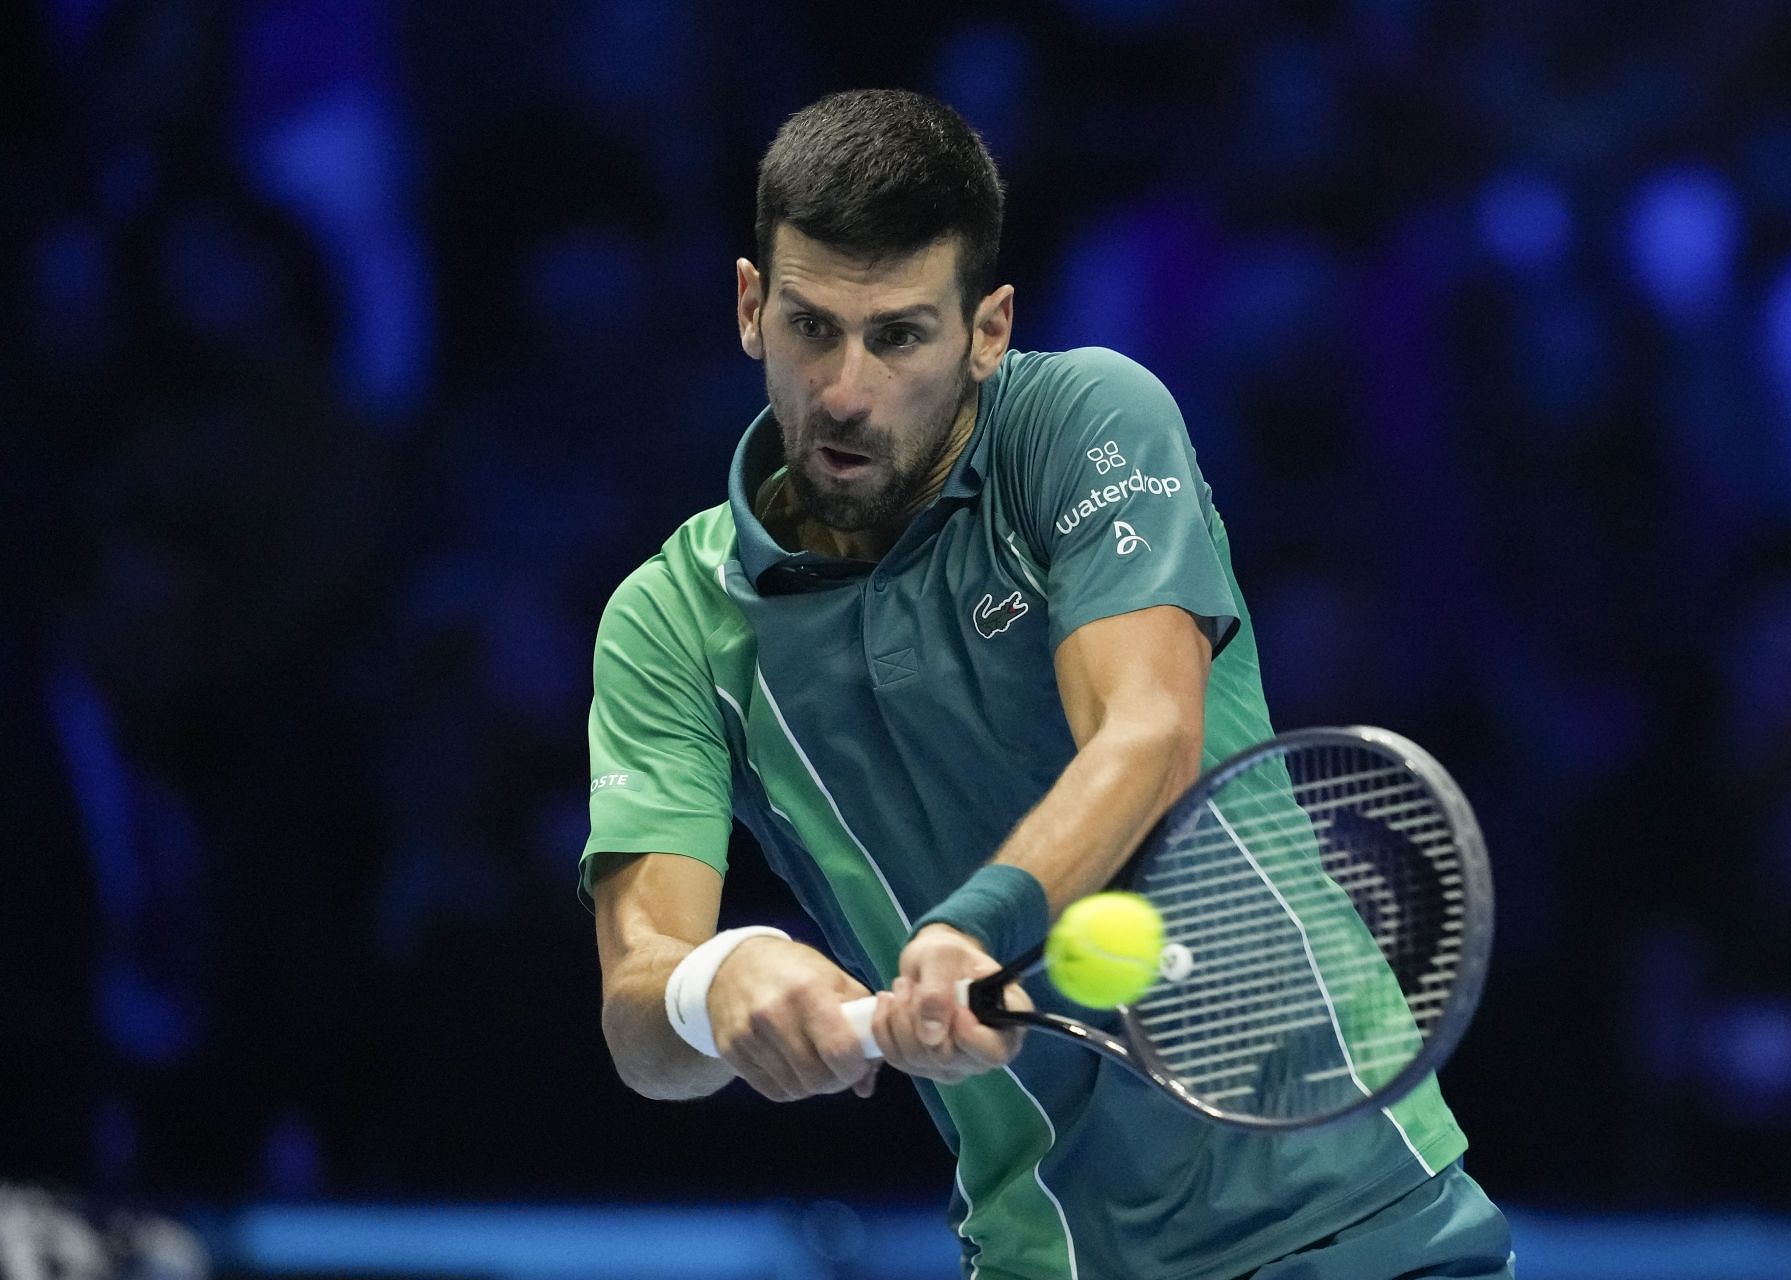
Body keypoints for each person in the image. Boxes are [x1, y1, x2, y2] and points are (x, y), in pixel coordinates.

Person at [584, 88, 1513, 1280]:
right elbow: (637, 1008)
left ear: (988, 329)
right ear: (753, 308)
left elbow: (1149, 732)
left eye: (902, 334)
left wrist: (970, 929)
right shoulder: (668, 622)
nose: (847, 389)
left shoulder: (1084, 421)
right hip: (1051, 1258)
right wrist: (718, 983)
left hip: (1363, 1222)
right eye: (813, 327)